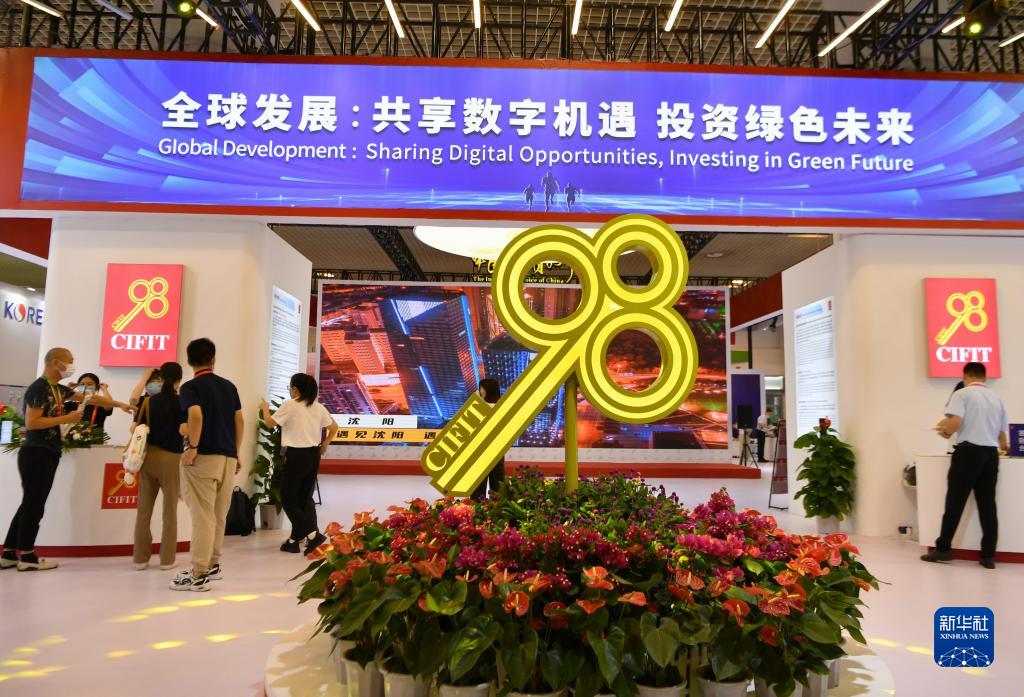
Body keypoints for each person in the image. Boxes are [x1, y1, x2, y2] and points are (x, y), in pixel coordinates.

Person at [1, 348, 131, 571]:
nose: (72, 365)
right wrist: (67, 418)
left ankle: (10, 553)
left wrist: (119, 404)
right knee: (34, 505)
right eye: (69, 361)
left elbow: (89, 398)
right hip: (37, 451)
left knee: (30, 503)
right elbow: (32, 422)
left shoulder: (58, 389)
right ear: (55, 363)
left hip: (47, 451)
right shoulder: (39, 388)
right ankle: (27, 556)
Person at [171, 338, 243, 592]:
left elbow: (195, 415)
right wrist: (235, 452)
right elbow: (239, 421)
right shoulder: (229, 387)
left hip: (203, 459)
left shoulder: (190, 387)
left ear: (189, 361)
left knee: (202, 515)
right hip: (227, 458)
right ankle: (212, 564)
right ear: (213, 358)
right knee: (218, 514)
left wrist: (193, 446)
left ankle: (199, 573)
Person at [922, 362, 1008, 570]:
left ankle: (943, 548)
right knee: (988, 505)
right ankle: (988, 556)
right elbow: (1003, 437)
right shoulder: (997, 398)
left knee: (955, 502)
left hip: (968, 453)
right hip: (991, 455)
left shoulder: (962, 394)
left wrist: (945, 433)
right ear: (984, 377)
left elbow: (955, 421)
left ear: (965, 376)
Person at [260, 373, 339, 555]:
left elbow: (269, 423)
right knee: (304, 498)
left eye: (291, 387)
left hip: (296, 456)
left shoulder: (290, 405)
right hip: (313, 455)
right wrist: (325, 444)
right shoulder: (318, 407)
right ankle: (294, 541)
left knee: (288, 499)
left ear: (295, 389)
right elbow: (334, 427)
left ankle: (313, 535)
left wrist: (264, 408)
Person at [132, 362, 185, 571]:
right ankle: (167, 559)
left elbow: (135, 428)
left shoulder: (149, 402)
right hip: (172, 458)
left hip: (148, 457)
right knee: (169, 511)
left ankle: (140, 558)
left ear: (160, 378)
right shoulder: (182, 402)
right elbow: (185, 430)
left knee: (143, 510)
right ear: (179, 379)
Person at [471, 379, 504, 500]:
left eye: (481, 388)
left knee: (480, 484)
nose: (479, 391)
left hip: (483, 450)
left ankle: (479, 508)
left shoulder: (480, 407)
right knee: (496, 482)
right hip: (494, 449)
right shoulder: (501, 407)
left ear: (487, 390)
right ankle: (497, 507)